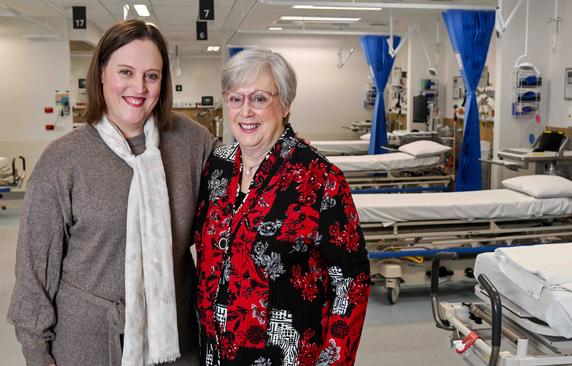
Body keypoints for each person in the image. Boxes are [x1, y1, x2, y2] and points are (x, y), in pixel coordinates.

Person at [7, 20, 214, 365]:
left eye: (151, 75)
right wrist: (37, 354)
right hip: (90, 346)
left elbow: (247, 183)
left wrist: (285, 148)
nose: (139, 87)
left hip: (176, 344)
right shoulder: (62, 160)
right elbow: (34, 274)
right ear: (101, 72)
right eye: (126, 72)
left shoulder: (192, 143)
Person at [193, 48, 370, 366]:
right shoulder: (216, 167)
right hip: (215, 353)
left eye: (259, 99)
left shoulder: (319, 178)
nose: (245, 111)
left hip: (287, 356)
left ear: (285, 104)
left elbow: (351, 281)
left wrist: (333, 361)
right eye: (236, 99)